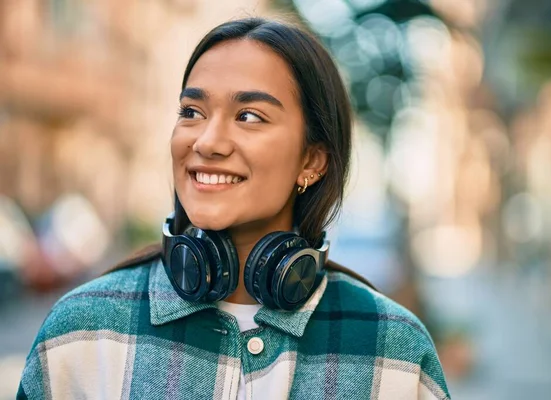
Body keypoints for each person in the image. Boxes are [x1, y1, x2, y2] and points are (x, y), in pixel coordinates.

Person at [18, 17, 451, 399]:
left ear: (312, 161)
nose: (206, 141)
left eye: (249, 116)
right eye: (192, 111)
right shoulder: (81, 333)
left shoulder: (393, 351)